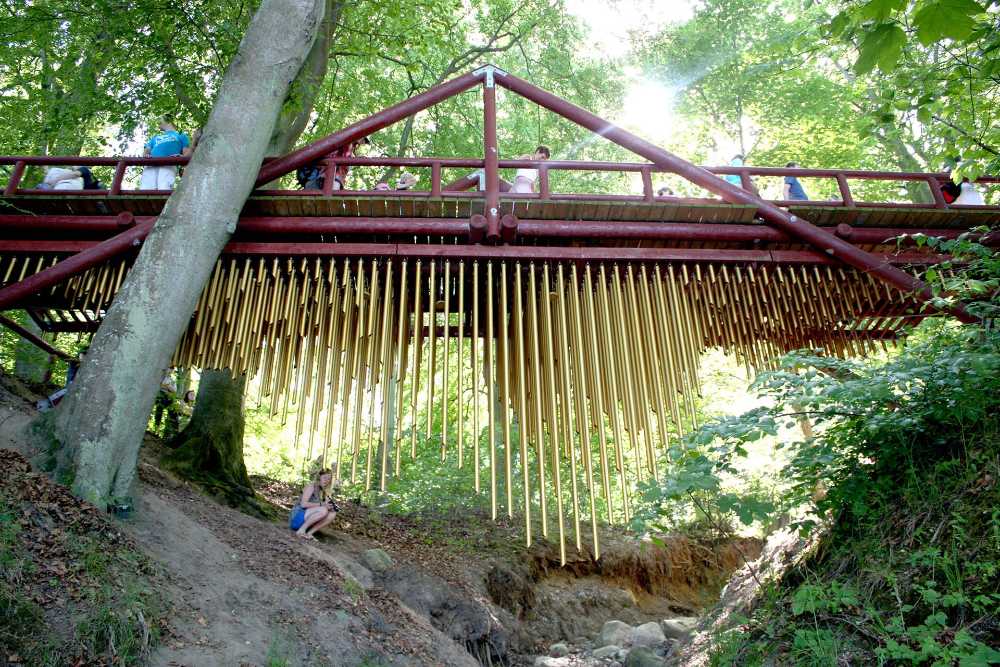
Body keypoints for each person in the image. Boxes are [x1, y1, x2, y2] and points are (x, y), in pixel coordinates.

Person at [140, 117, 191, 190]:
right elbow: (147, 149)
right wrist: (146, 154)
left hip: (169, 163)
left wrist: (181, 156)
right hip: (151, 163)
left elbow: (186, 152)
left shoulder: (181, 135)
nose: (158, 122)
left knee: (164, 186)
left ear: (168, 121)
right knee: (146, 188)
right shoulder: (155, 137)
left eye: (160, 120)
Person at [289, 469, 339, 539]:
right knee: (323, 510)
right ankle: (301, 531)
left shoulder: (324, 491)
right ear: (319, 477)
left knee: (332, 513)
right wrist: (323, 504)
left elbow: (325, 505)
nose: (327, 480)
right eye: (325, 478)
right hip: (297, 518)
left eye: (329, 479)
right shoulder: (311, 486)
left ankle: (309, 533)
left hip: (307, 518)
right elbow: (303, 504)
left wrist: (331, 506)